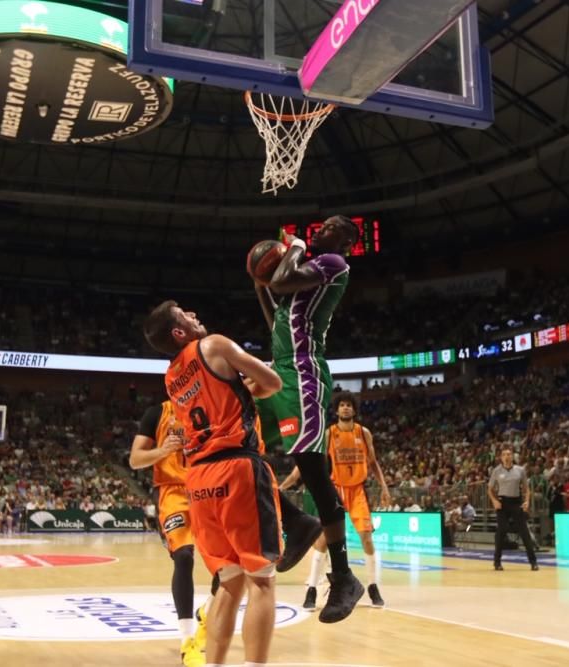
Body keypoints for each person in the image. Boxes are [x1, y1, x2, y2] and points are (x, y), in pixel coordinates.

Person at [144, 301, 283, 667]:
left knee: (230, 583)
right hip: (237, 466)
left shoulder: (171, 377)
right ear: (179, 332)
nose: (194, 314)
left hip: (198, 479)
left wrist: (239, 390)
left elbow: (219, 396)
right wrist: (251, 385)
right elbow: (272, 383)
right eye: (186, 316)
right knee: (262, 581)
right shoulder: (216, 345)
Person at [251, 215, 365, 623]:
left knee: (314, 474)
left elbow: (282, 281)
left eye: (333, 226)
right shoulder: (301, 278)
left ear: (348, 241)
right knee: (239, 447)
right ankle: (297, 521)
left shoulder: (333, 264)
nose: (323, 229)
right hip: (282, 370)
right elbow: (277, 314)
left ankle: (344, 576)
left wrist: (296, 244)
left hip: (303, 372)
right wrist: (259, 286)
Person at [284, 393, 391, 611]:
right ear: (337, 409)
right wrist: (288, 482)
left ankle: (373, 587)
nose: (345, 408)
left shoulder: (364, 432)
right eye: (342, 405)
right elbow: (310, 462)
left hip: (358, 491)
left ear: (354, 410)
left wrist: (384, 486)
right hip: (337, 490)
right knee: (323, 540)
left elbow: (373, 462)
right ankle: (311, 590)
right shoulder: (329, 434)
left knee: (367, 539)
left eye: (349, 405)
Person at [129, 400, 208, 667]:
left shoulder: (212, 407)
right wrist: (163, 450)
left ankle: (207, 613)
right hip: (172, 492)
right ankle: (188, 641)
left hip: (209, 489)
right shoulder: (157, 413)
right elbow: (135, 459)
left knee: (231, 566)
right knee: (184, 556)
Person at [487, 447, 538, 571]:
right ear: (501, 457)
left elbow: (526, 488)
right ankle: (497, 562)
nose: (507, 456)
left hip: (516, 502)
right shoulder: (496, 471)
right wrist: (494, 501)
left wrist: (527, 501)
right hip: (502, 502)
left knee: (524, 532)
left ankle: (533, 562)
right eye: (504, 454)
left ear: (512, 456)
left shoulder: (520, 470)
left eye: (509, 454)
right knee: (501, 530)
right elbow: (490, 489)